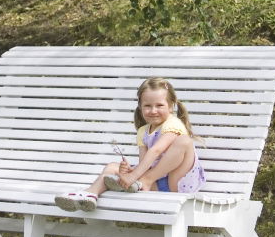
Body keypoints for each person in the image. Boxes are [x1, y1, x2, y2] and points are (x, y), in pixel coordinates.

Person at [54, 76, 206, 212]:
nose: (153, 111)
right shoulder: (143, 131)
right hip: (155, 185)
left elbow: (156, 151)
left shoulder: (173, 123)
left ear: (171, 105)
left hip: (178, 184)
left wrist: (134, 175)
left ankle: (138, 182)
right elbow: (144, 162)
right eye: (147, 106)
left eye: (159, 105)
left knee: (184, 141)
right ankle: (89, 194)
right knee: (112, 167)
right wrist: (128, 171)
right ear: (140, 106)